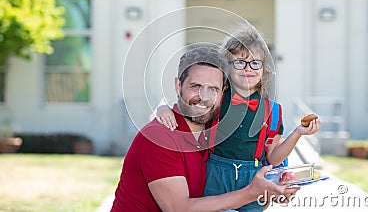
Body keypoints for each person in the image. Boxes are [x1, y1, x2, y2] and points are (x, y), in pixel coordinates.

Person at [111, 46, 299, 212]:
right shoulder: (160, 136)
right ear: (178, 85)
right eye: (196, 86)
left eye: (213, 89)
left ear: (223, 93)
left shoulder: (210, 135)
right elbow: (179, 209)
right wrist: (251, 193)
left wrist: (271, 191)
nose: (204, 97)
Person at [156, 24, 320, 211]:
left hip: (253, 177)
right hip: (215, 175)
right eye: (240, 62)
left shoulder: (273, 110)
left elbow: (274, 158)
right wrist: (163, 109)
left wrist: (298, 133)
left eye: (255, 62)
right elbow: (188, 106)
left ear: (263, 68)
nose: (248, 68)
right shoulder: (216, 98)